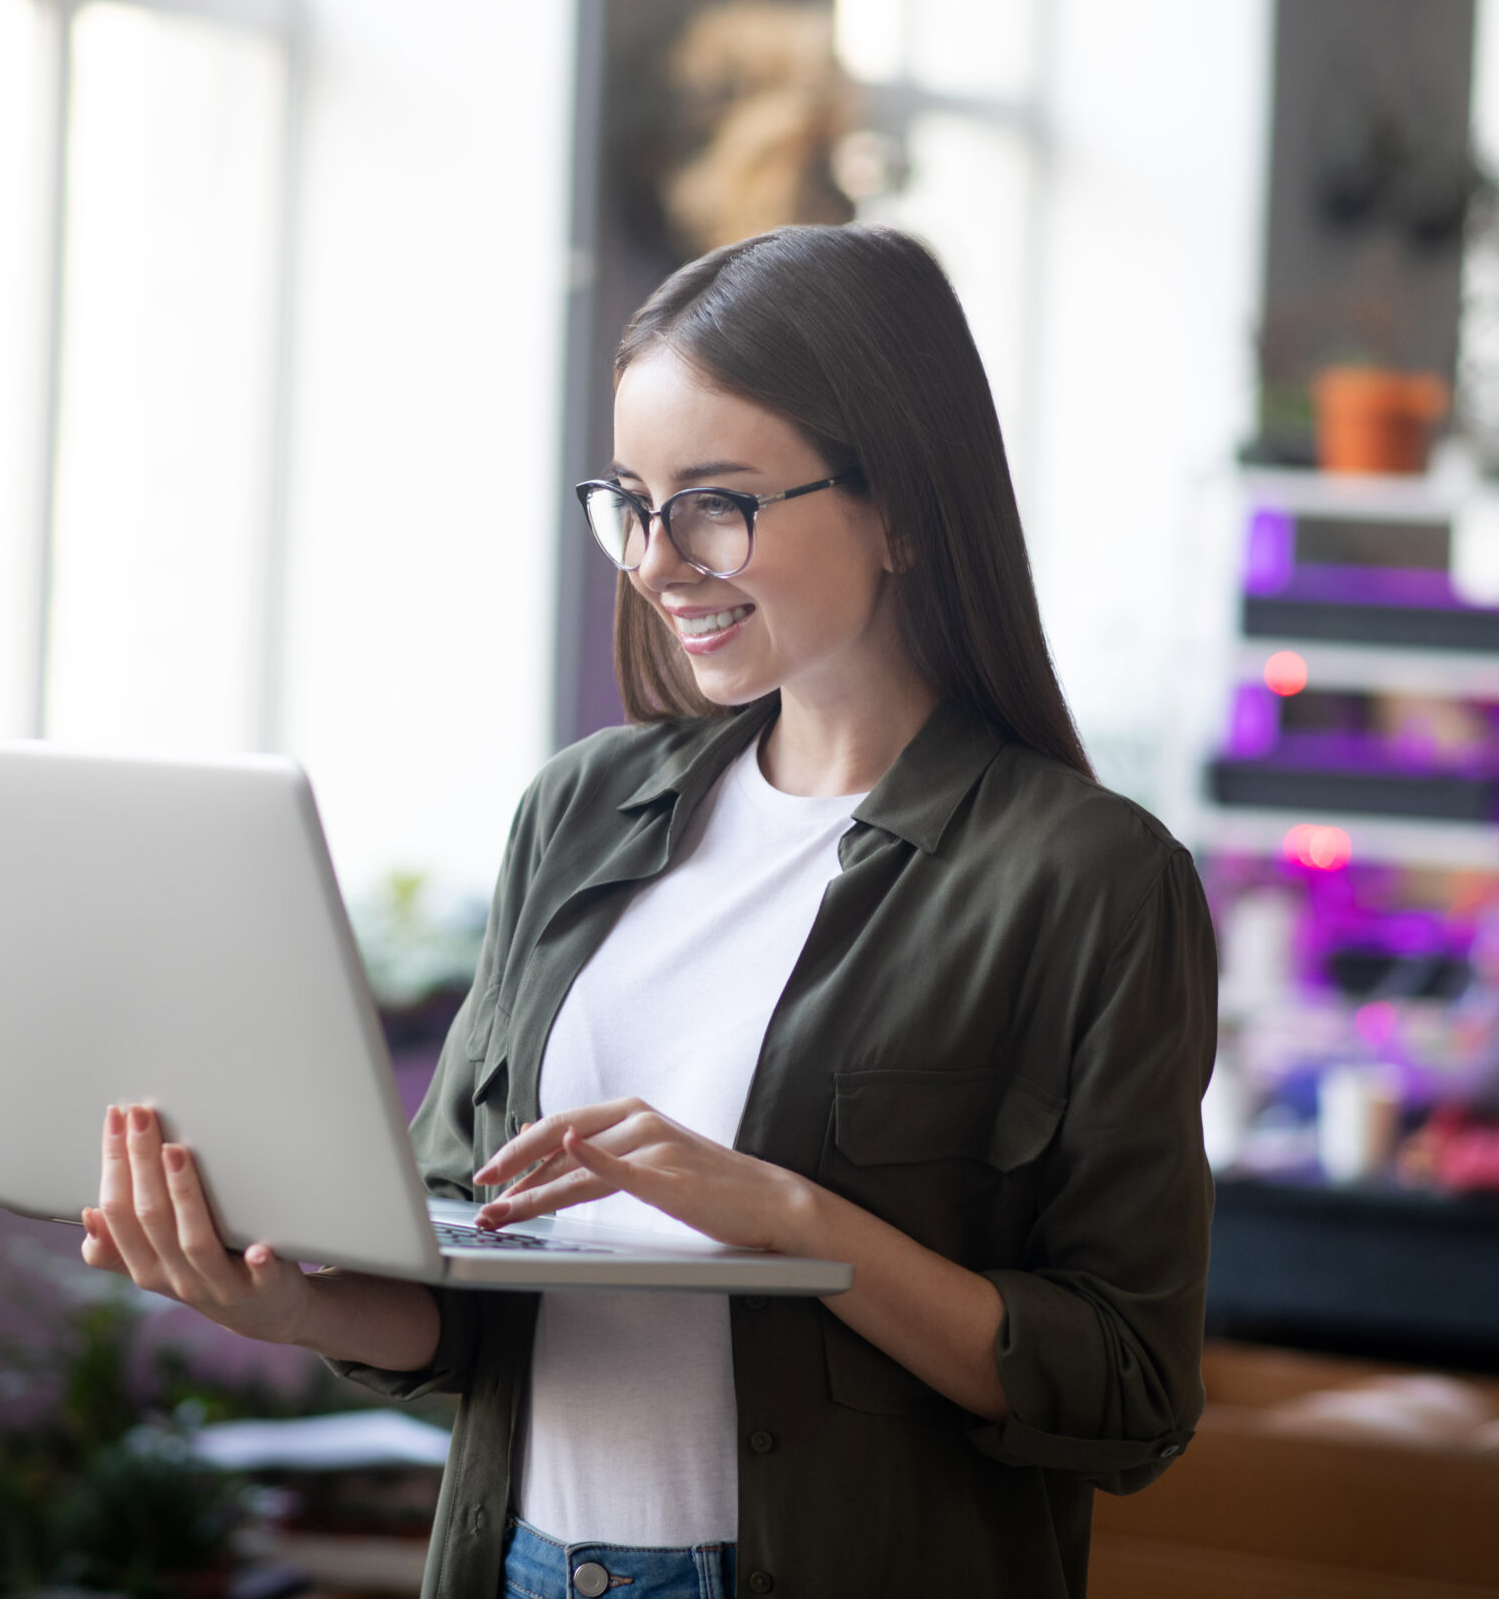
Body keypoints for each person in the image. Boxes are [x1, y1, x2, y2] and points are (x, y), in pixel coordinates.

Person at [79, 223, 1217, 1599]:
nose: (657, 560)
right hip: (526, 1568)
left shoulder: (1086, 880)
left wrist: (795, 1219)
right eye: (632, 500)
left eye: (718, 501)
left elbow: (1133, 1390)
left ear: (903, 509)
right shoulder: (579, 811)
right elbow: (460, 1258)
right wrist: (288, 1301)